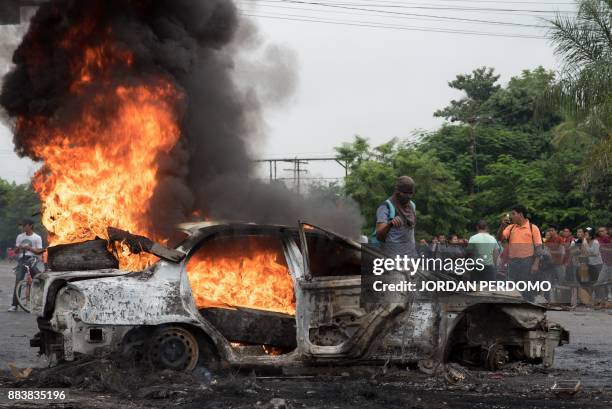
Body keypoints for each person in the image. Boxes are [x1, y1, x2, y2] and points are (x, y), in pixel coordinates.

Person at [497, 205, 542, 302]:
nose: (511, 216)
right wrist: (502, 226)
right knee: (512, 288)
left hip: (527, 262)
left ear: (520, 214)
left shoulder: (533, 228)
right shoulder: (511, 227)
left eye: (513, 214)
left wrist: (536, 263)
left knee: (526, 288)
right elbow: (500, 238)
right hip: (513, 262)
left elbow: (538, 247)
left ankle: (530, 309)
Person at [375, 176, 417, 258]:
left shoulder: (412, 205)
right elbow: (379, 235)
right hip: (393, 258)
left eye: (410, 193)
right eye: (405, 193)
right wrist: (390, 224)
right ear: (397, 191)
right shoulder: (386, 206)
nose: (408, 196)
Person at [8, 219, 44, 312]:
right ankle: (14, 305)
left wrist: (29, 248)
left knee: (39, 280)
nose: (23, 227)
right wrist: (18, 248)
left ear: (30, 226)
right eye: (22, 225)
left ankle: (41, 302)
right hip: (22, 259)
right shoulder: (20, 236)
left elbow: (40, 251)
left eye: (24, 225)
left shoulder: (37, 237)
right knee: (18, 280)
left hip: (32, 259)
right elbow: (15, 251)